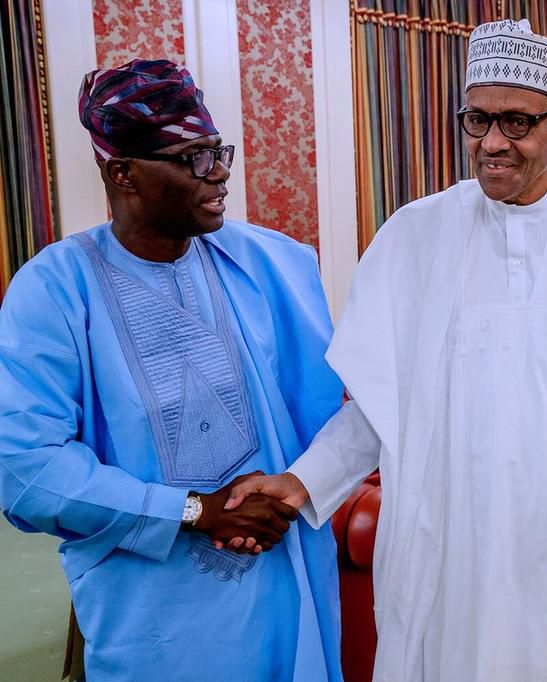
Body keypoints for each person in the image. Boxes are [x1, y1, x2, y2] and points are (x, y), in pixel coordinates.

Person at [226, 18, 547, 682]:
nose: (491, 144)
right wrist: (301, 481)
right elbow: (378, 410)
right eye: (476, 120)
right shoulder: (411, 238)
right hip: (450, 560)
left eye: (517, 123)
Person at [0, 59, 344, 680]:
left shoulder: (274, 266)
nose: (218, 177)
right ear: (122, 173)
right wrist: (191, 511)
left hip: (282, 575)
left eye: (219, 153)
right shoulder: (54, 289)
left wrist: (286, 491)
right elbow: (27, 469)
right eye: (192, 159)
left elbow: (326, 417)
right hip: (153, 610)